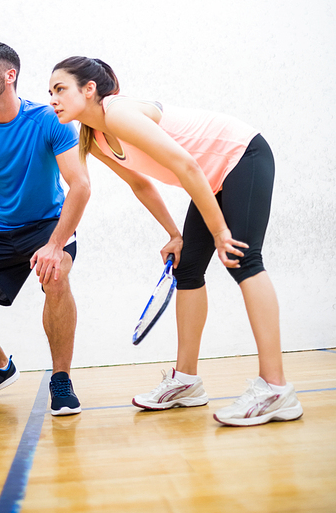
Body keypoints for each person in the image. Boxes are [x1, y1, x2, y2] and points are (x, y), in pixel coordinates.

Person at [48, 56, 303, 427]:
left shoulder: (117, 112)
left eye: (60, 89)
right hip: (211, 178)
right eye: (50, 92)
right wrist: (174, 234)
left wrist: (219, 232)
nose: (52, 99)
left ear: (89, 90)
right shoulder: (96, 138)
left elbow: (187, 166)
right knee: (188, 270)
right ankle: (186, 382)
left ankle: (276, 389)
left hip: (242, 154)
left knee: (243, 260)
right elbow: (141, 184)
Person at [0, 42, 90, 416]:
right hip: (0, 232)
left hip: (47, 226)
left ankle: (61, 379)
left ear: (10, 76)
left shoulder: (48, 121)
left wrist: (56, 245)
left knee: (56, 279)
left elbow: (80, 186)